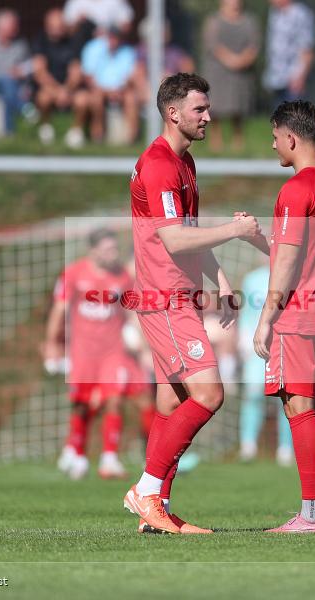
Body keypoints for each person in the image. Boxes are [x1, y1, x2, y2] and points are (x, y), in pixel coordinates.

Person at [122, 72, 262, 535]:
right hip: (164, 298)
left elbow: (190, 237)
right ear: (172, 113)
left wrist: (221, 279)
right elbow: (177, 239)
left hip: (178, 294)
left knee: (173, 400)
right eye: (200, 109)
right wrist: (238, 231)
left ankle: (155, 508)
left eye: (208, 107)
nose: (209, 116)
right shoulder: (160, 163)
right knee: (210, 394)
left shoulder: (185, 163)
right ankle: (146, 491)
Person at [247, 100, 315, 533]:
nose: (273, 147)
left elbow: (287, 266)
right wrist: (258, 241)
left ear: (291, 137)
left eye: (274, 138)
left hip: (299, 313)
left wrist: (266, 317)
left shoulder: (295, 188)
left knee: (299, 408)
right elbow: (301, 252)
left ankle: (310, 516)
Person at [44, 228, 154, 480]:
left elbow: (131, 312)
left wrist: (144, 345)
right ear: (92, 250)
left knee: (114, 397)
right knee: (82, 406)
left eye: (114, 249)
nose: (112, 254)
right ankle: (77, 451)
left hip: (113, 351)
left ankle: (109, 459)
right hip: (82, 352)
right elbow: (59, 310)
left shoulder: (123, 277)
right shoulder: (73, 273)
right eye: (107, 249)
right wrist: (52, 343)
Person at [237, 260, 294, 465]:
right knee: (253, 395)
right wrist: (243, 339)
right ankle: (248, 445)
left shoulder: (291, 277)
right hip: (256, 348)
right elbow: (245, 313)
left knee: (286, 398)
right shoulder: (252, 279)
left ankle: (286, 449)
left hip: (283, 347)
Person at [202, 0, 260, 152]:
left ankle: (238, 141)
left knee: (238, 105)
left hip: (241, 73)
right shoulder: (213, 21)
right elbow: (212, 44)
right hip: (217, 71)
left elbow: (254, 46)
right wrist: (230, 59)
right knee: (215, 106)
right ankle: (216, 142)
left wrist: (242, 60)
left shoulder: (250, 22)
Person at [32, 8, 90, 148]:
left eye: (60, 26)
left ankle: (76, 132)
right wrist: (57, 91)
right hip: (50, 89)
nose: (57, 30)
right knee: (43, 98)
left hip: (70, 89)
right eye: (53, 27)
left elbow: (76, 72)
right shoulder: (40, 41)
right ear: (47, 26)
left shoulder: (73, 42)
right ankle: (45, 127)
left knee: (83, 99)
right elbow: (40, 72)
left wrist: (67, 90)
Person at [81, 25, 139, 144]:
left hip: (121, 90)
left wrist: (119, 90)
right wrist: (106, 91)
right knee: (96, 98)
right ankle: (97, 134)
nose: (113, 41)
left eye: (116, 38)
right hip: (99, 89)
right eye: (111, 38)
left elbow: (130, 77)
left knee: (131, 98)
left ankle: (132, 137)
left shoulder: (128, 52)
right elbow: (88, 77)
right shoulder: (93, 49)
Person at [262, 0, 314, 106]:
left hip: (293, 79)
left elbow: (307, 49)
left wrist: (300, 77)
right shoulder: (275, 13)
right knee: (278, 120)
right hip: (277, 78)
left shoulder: (301, 14)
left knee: (293, 119)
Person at [63, 0, 133, 34]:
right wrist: (79, 23)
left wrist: (107, 31)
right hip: (83, 45)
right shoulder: (74, 2)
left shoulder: (117, 2)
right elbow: (67, 29)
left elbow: (127, 25)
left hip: (110, 45)